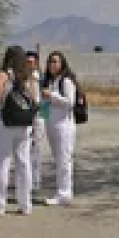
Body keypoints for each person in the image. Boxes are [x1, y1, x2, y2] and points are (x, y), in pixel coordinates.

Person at [0, 45, 33, 216]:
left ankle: (0, 205)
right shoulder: (26, 77)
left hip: (5, 123)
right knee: (23, 163)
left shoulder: (2, 75)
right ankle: (25, 204)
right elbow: (34, 101)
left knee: (3, 163)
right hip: (23, 124)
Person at [41, 51, 77, 206]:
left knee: (64, 160)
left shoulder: (66, 81)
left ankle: (64, 193)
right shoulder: (50, 81)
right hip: (52, 125)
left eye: (56, 61)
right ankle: (63, 191)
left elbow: (70, 102)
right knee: (58, 160)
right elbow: (45, 105)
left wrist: (52, 96)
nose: (52, 65)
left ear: (62, 64)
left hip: (64, 126)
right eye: (50, 62)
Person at [25, 50, 44, 196]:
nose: (30, 64)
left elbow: (46, 98)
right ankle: (26, 179)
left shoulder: (41, 78)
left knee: (37, 149)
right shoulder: (22, 78)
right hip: (25, 117)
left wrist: (44, 116)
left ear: (36, 63)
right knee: (25, 147)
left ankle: (35, 181)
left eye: (32, 62)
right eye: (27, 62)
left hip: (38, 117)